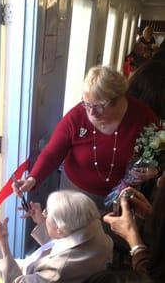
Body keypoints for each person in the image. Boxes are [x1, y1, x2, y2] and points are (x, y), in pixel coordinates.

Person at [13, 66, 158, 212]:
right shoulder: (77, 116)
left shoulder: (142, 116)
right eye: (87, 104)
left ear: (118, 99)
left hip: (121, 200)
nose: (91, 112)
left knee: (110, 234)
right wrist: (32, 178)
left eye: (99, 106)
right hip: (75, 196)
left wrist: (155, 169)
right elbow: (52, 153)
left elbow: (159, 151)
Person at [45, 183, 165, 283]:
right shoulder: (104, 243)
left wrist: (133, 236)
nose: (157, 181)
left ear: (59, 228)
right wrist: (153, 216)